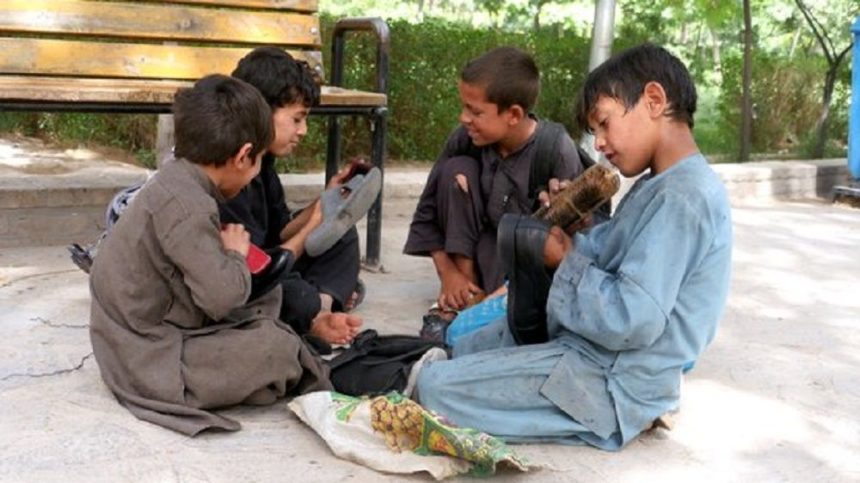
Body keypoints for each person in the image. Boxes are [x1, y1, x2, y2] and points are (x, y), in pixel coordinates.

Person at [415, 43, 733, 450]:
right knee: (462, 342)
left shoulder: (683, 197)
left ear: (654, 100)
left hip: (611, 380)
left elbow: (631, 318)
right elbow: (611, 255)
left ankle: (614, 418)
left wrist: (563, 259)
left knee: (435, 386)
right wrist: (572, 229)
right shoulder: (659, 185)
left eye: (604, 123)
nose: (598, 143)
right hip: (594, 352)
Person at [89, 74, 332, 436]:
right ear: (242, 156)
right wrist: (235, 254)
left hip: (129, 336)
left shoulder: (176, 179)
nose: (254, 177)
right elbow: (220, 299)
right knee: (277, 348)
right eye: (258, 162)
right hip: (146, 360)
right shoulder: (189, 206)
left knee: (268, 300)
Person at [403, 46, 589, 316]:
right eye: (464, 107)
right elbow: (427, 212)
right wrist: (448, 274)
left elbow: (574, 244)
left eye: (475, 112)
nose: (464, 118)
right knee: (456, 171)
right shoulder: (465, 139)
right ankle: (462, 293)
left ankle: (484, 305)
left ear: (513, 114)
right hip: (479, 246)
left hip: (522, 263)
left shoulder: (555, 149)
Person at [220, 47, 366, 347]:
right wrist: (311, 226)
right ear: (261, 110)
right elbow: (256, 269)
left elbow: (279, 232)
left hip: (270, 258)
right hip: (247, 272)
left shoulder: (264, 163)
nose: (303, 131)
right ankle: (319, 309)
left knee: (342, 235)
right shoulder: (229, 171)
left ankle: (322, 311)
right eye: (297, 119)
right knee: (294, 295)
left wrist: (325, 203)